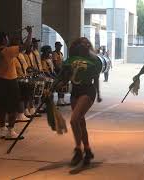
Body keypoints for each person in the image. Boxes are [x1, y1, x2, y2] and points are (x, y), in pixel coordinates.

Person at [53, 37, 102, 170]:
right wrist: (53, 87)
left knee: (74, 120)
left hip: (87, 91)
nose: (83, 45)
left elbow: (96, 75)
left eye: (86, 44)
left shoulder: (94, 60)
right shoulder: (70, 60)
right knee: (80, 122)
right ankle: (87, 150)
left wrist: (99, 94)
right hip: (75, 92)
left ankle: (78, 150)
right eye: (81, 43)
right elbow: (64, 78)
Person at [0, 26, 32, 139]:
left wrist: (12, 37)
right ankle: (11, 131)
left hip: (0, 79)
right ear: (3, 40)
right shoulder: (7, 51)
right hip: (10, 81)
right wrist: (30, 33)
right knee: (13, 106)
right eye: (6, 38)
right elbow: (25, 46)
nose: (8, 39)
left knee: (2, 105)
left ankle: (2, 128)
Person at [52, 41, 68, 106]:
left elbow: (62, 62)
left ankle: (62, 98)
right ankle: (59, 99)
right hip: (57, 71)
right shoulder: (54, 53)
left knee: (63, 85)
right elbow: (55, 64)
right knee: (59, 85)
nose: (60, 47)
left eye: (61, 46)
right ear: (56, 46)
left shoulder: (61, 53)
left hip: (62, 71)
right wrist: (60, 70)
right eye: (59, 46)